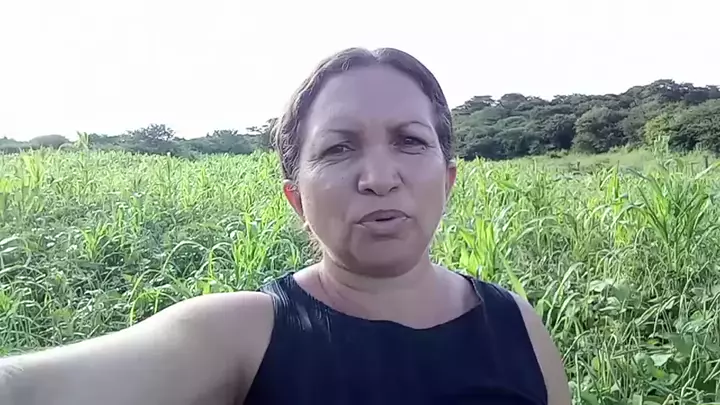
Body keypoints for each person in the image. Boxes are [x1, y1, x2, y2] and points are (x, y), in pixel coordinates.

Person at [0, 47, 572, 405]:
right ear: (296, 198)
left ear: (448, 179)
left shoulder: (518, 326)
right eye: (339, 148)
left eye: (409, 141)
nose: (378, 178)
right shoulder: (243, 335)